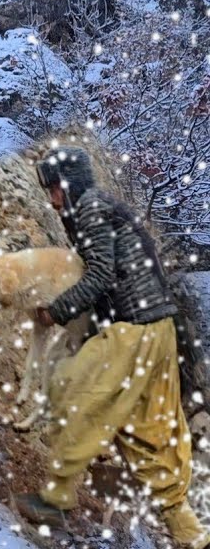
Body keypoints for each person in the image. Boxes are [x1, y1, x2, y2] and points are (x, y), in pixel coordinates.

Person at [15, 147, 208, 548]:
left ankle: (58, 499)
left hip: (133, 331)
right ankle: (190, 535)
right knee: (150, 435)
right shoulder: (107, 207)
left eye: (54, 189)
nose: (52, 200)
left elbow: (102, 275)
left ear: (70, 185)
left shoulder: (90, 207)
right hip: (159, 332)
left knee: (72, 391)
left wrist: (57, 310)